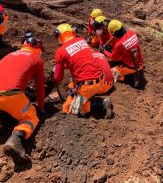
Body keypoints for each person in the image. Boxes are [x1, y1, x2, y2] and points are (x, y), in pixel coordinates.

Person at [0, 31, 45, 164]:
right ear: (37, 48)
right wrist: (41, 109)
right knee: (31, 116)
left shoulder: (8, 56)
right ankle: (16, 139)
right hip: (11, 96)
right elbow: (40, 88)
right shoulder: (37, 60)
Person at [53, 23, 112, 118]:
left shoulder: (60, 51)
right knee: (73, 88)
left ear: (58, 35)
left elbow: (58, 78)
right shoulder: (82, 40)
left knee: (68, 109)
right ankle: (85, 97)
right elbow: (78, 60)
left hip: (87, 85)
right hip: (100, 79)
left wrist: (55, 77)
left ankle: (99, 104)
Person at [101, 19, 144, 87]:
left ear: (114, 33)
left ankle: (130, 77)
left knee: (110, 73)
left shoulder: (119, 45)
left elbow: (113, 57)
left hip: (131, 67)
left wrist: (104, 51)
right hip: (139, 62)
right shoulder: (132, 33)